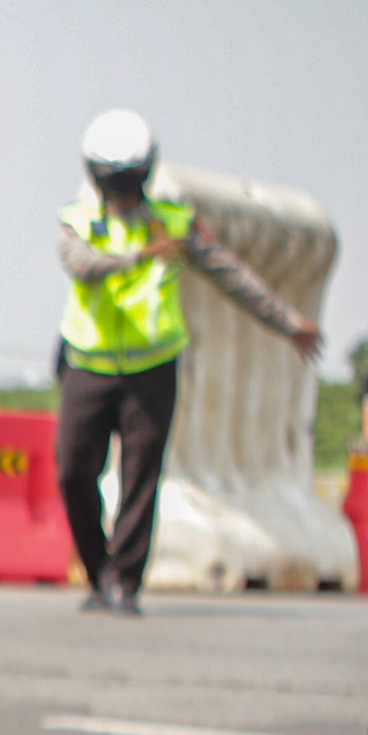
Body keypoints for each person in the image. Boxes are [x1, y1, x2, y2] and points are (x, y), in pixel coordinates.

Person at [53, 108, 319, 614]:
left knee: (141, 479)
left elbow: (230, 275)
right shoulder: (78, 220)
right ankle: (98, 570)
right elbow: (81, 266)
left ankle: (122, 584)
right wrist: (139, 256)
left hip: (153, 369)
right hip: (87, 364)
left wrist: (287, 322)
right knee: (72, 471)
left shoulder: (175, 223)